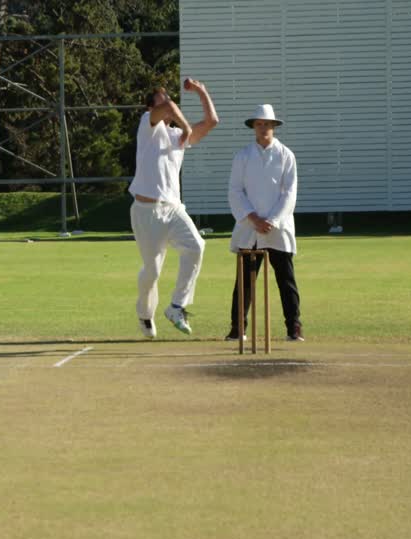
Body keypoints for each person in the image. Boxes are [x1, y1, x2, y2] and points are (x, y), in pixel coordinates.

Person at [128, 78, 220, 339]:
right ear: (150, 107)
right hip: (146, 211)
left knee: (196, 246)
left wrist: (202, 90)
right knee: (153, 270)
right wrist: (187, 126)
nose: (167, 101)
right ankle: (145, 314)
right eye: (160, 99)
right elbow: (168, 106)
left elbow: (212, 121)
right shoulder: (147, 125)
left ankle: (176, 306)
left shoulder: (178, 136)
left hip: (174, 208)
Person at [226, 104, 304, 342]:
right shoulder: (243, 156)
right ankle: (238, 328)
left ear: (273, 127)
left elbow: (289, 193)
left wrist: (272, 220)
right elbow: (235, 191)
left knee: (286, 280)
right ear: (254, 127)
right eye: (259, 124)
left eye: (267, 124)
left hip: (277, 229)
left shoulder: (286, 155)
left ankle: (294, 327)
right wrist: (254, 218)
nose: (263, 129)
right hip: (250, 227)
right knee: (245, 282)